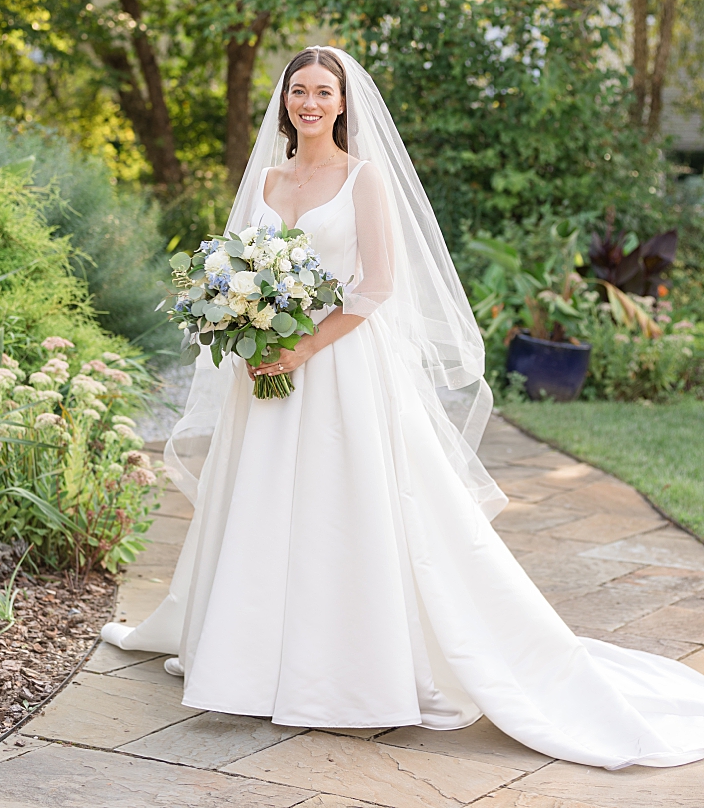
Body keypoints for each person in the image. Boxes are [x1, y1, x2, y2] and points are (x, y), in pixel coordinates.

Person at [101, 45, 704, 769]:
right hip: (267, 368)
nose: (311, 103)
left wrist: (302, 347)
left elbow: (377, 284)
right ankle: (249, 660)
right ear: (285, 101)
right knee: (260, 505)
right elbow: (238, 269)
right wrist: (250, 328)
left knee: (340, 511)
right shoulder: (265, 177)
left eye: (324, 91)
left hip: (338, 368)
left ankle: (344, 674)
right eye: (300, 91)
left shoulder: (364, 178)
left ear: (345, 101)